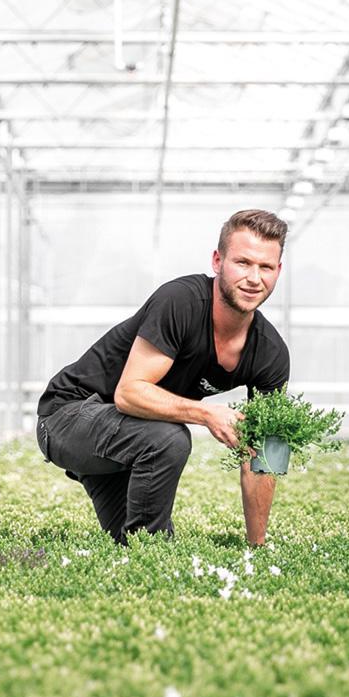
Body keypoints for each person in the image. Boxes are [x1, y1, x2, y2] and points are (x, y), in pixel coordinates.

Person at [36, 209, 290, 546]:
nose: (254, 278)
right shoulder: (180, 301)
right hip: (69, 415)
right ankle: (150, 550)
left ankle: (145, 546)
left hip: (128, 439)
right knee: (169, 440)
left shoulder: (271, 355)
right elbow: (128, 393)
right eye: (242, 263)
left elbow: (265, 457)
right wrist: (206, 413)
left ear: (278, 271)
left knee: (132, 544)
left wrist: (256, 548)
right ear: (218, 261)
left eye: (266, 267)